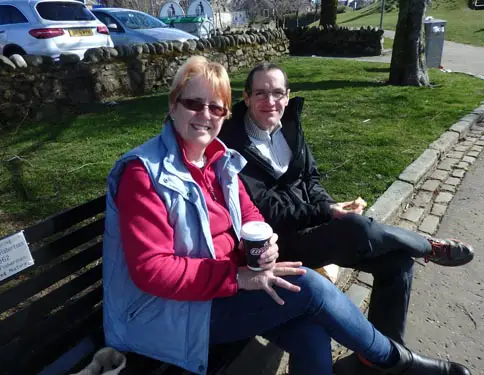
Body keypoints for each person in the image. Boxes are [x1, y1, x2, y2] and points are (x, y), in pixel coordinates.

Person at [102, 56, 471, 375]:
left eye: (216, 108)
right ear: (172, 105)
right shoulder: (143, 174)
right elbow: (152, 271)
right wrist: (238, 275)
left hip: (221, 287)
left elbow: (250, 212)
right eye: (194, 104)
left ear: (225, 114)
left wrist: (266, 248)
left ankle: (386, 358)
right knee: (309, 285)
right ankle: (395, 362)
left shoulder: (216, 160)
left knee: (311, 329)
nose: (205, 116)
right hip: (166, 313)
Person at [219, 62, 475, 371]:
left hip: (314, 229)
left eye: (277, 93)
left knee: (396, 263)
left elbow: (310, 179)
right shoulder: (233, 144)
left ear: (287, 96)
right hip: (280, 243)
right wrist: (327, 212)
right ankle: (425, 245)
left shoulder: (288, 124)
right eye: (260, 93)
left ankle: (376, 363)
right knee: (356, 228)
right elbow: (267, 210)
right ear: (246, 97)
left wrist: (331, 208)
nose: (269, 102)